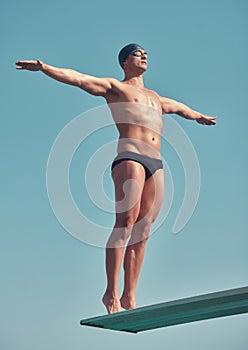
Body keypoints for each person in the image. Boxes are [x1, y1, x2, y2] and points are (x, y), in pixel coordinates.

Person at [16, 43, 217, 314]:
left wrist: (198, 116)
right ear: (124, 61)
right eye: (137, 53)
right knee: (125, 223)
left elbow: (180, 108)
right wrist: (45, 68)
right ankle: (110, 293)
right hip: (130, 157)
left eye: (146, 53)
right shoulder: (115, 88)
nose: (144, 56)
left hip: (155, 163)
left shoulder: (155, 98)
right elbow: (79, 79)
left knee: (143, 231)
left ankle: (129, 297)